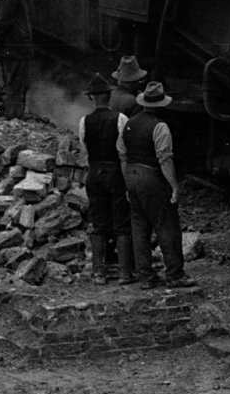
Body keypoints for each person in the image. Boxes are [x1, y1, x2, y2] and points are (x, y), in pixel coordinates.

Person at [119, 81, 189, 287]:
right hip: (151, 178)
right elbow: (164, 159)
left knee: (139, 228)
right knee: (166, 224)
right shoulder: (160, 127)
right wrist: (174, 187)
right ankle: (175, 274)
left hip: (131, 175)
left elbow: (122, 155)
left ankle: (145, 276)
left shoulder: (129, 124)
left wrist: (127, 184)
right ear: (161, 105)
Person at [80, 76, 135, 283]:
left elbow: (85, 151)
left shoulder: (84, 121)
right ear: (109, 96)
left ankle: (98, 272)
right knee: (122, 221)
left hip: (94, 173)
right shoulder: (120, 119)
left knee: (98, 221)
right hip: (116, 172)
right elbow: (124, 151)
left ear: (91, 98)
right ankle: (124, 272)